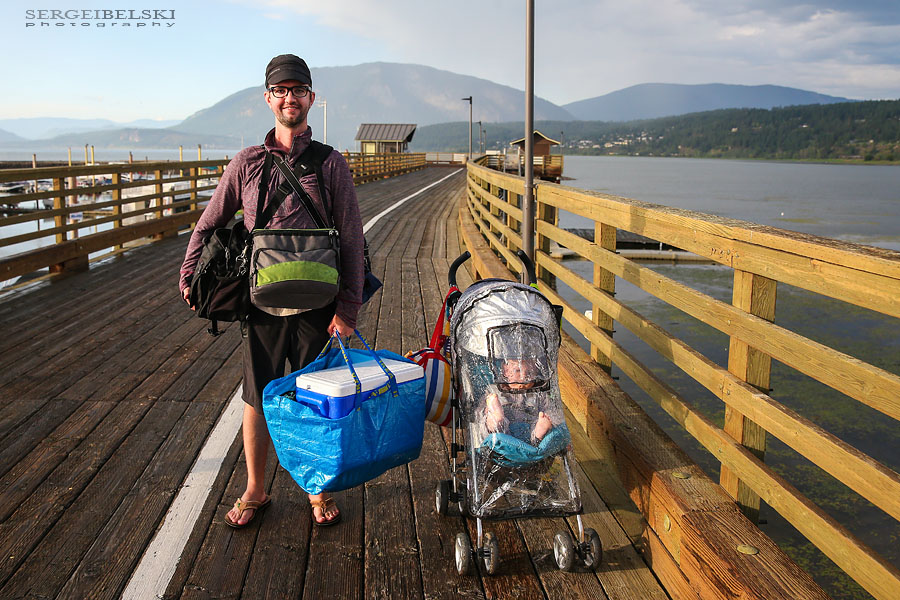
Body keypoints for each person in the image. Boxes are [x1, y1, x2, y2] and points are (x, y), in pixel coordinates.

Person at [179, 54, 364, 528]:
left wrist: (348, 310)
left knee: (316, 400)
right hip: (260, 302)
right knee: (257, 398)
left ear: (310, 98)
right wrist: (189, 274)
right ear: (268, 99)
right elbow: (210, 222)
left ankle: (316, 490)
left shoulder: (330, 164)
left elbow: (353, 238)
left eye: (297, 90)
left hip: (319, 307)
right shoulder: (247, 163)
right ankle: (256, 490)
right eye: (280, 90)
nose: (289, 98)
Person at [483, 357, 559, 446]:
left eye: (530, 373)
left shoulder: (539, 393)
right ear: (506, 371)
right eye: (518, 371)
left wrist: (547, 418)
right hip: (502, 434)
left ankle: (539, 433)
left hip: (529, 431)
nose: (524, 377)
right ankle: (496, 420)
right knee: (488, 419)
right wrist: (485, 411)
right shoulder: (493, 391)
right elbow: (478, 412)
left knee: (542, 421)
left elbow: (549, 409)